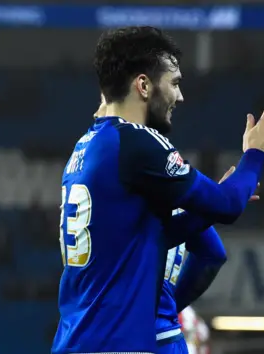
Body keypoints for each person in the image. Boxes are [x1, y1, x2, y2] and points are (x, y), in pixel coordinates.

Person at [52, 26, 264, 354]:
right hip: (117, 344)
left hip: (75, 340)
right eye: (175, 83)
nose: (180, 96)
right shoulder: (137, 142)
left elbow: (141, 237)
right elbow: (228, 206)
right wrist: (255, 154)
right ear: (144, 85)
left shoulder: (85, 148)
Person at [94, 94, 229, 353]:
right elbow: (213, 254)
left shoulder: (115, 189)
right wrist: (170, 306)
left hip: (119, 330)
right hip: (167, 334)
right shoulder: (175, 186)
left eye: (102, 104)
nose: (97, 114)